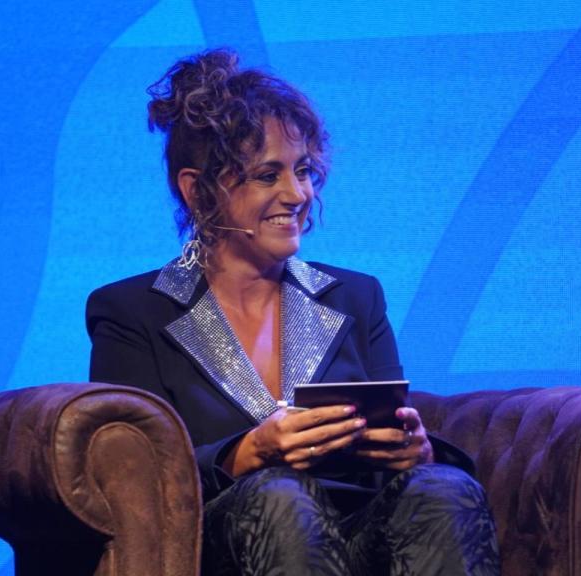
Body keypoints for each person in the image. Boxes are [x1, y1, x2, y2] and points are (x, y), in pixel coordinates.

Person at [86, 49, 500, 576]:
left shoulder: (356, 297)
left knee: (442, 486)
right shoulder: (131, 312)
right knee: (279, 496)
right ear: (196, 190)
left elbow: (394, 435)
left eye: (303, 170)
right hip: (228, 545)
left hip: (363, 538)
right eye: (266, 175)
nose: (297, 193)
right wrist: (248, 452)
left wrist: (414, 451)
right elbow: (133, 475)